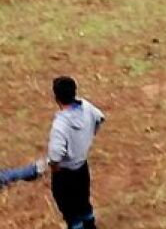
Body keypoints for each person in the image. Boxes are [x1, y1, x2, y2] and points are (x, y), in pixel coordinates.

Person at [48, 76, 105, 229]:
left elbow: (55, 156)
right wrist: (88, 136)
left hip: (65, 173)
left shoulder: (60, 125)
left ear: (56, 98)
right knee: (83, 202)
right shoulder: (86, 107)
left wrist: (55, 169)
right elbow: (100, 118)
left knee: (70, 211)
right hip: (82, 168)